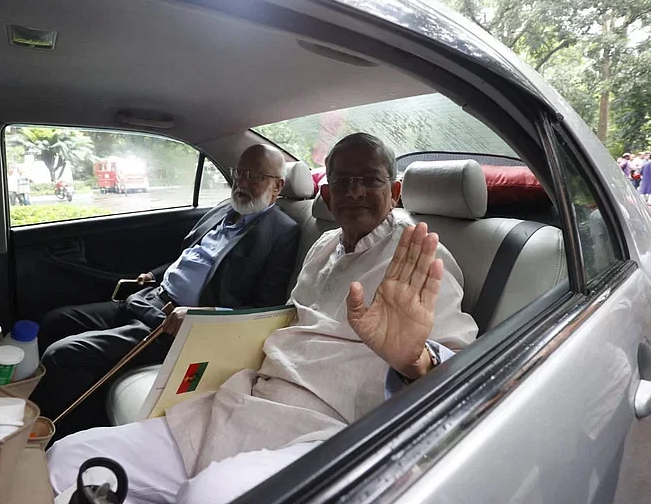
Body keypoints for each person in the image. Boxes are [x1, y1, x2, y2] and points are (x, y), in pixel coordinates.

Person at [46, 133, 478, 504]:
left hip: (329, 428)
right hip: (249, 399)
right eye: (342, 181)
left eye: (369, 179)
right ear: (326, 195)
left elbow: (458, 367)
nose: (355, 191)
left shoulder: (418, 255)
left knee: (209, 494)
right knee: (69, 457)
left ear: (396, 191)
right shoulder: (323, 247)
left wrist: (414, 359)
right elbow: (284, 323)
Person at [31, 144, 301, 439]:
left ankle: (52, 437)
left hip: (177, 327)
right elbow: (193, 257)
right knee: (55, 321)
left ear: (277, 186)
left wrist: (202, 316)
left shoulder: (282, 231)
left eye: (254, 176)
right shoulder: (226, 209)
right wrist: (155, 275)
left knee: (62, 354)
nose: (242, 183)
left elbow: (267, 309)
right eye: (239, 173)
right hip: (148, 300)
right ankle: (47, 408)